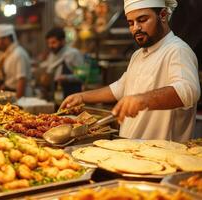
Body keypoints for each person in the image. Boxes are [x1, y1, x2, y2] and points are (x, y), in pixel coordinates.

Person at [60, 0, 200, 142]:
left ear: (163, 15)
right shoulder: (138, 55)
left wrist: (142, 100)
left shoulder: (177, 50)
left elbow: (188, 91)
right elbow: (121, 88)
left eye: (142, 20)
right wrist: (82, 97)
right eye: (130, 23)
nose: (136, 28)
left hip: (162, 155)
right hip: (131, 149)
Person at [0, 24, 32, 98]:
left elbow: (21, 81)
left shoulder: (18, 54)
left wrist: (18, 102)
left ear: (6, 39)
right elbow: (10, 80)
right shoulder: (8, 54)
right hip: (11, 93)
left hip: (21, 96)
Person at [40, 27, 84, 98]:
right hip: (57, 96)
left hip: (72, 96)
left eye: (53, 42)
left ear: (62, 41)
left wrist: (66, 78)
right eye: (49, 43)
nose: (50, 46)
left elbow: (82, 76)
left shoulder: (73, 53)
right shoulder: (52, 55)